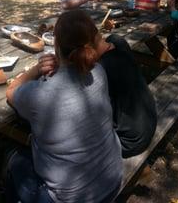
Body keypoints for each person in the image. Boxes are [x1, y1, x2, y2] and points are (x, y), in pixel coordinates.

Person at [5, 10, 123, 203]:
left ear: (56, 44)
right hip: (112, 180)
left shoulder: (41, 94)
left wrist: (36, 69)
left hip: (71, 198)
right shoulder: (99, 72)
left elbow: (11, 91)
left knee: (14, 159)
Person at [40, 29, 157, 158]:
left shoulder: (98, 70)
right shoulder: (119, 44)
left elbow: (67, 93)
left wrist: (62, 65)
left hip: (127, 142)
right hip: (149, 122)